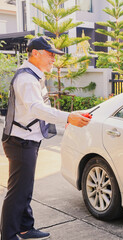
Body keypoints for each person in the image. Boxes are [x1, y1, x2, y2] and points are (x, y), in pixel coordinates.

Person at [1, 36, 91, 240]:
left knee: (25, 188)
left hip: (26, 140)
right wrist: (67, 117)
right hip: (20, 142)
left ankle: (25, 227)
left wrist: (66, 118)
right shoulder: (26, 79)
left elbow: (41, 108)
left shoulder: (34, 76)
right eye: (50, 54)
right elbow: (36, 108)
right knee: (18, 192)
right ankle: (9, 234)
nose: (53, 59)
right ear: (35, 53)